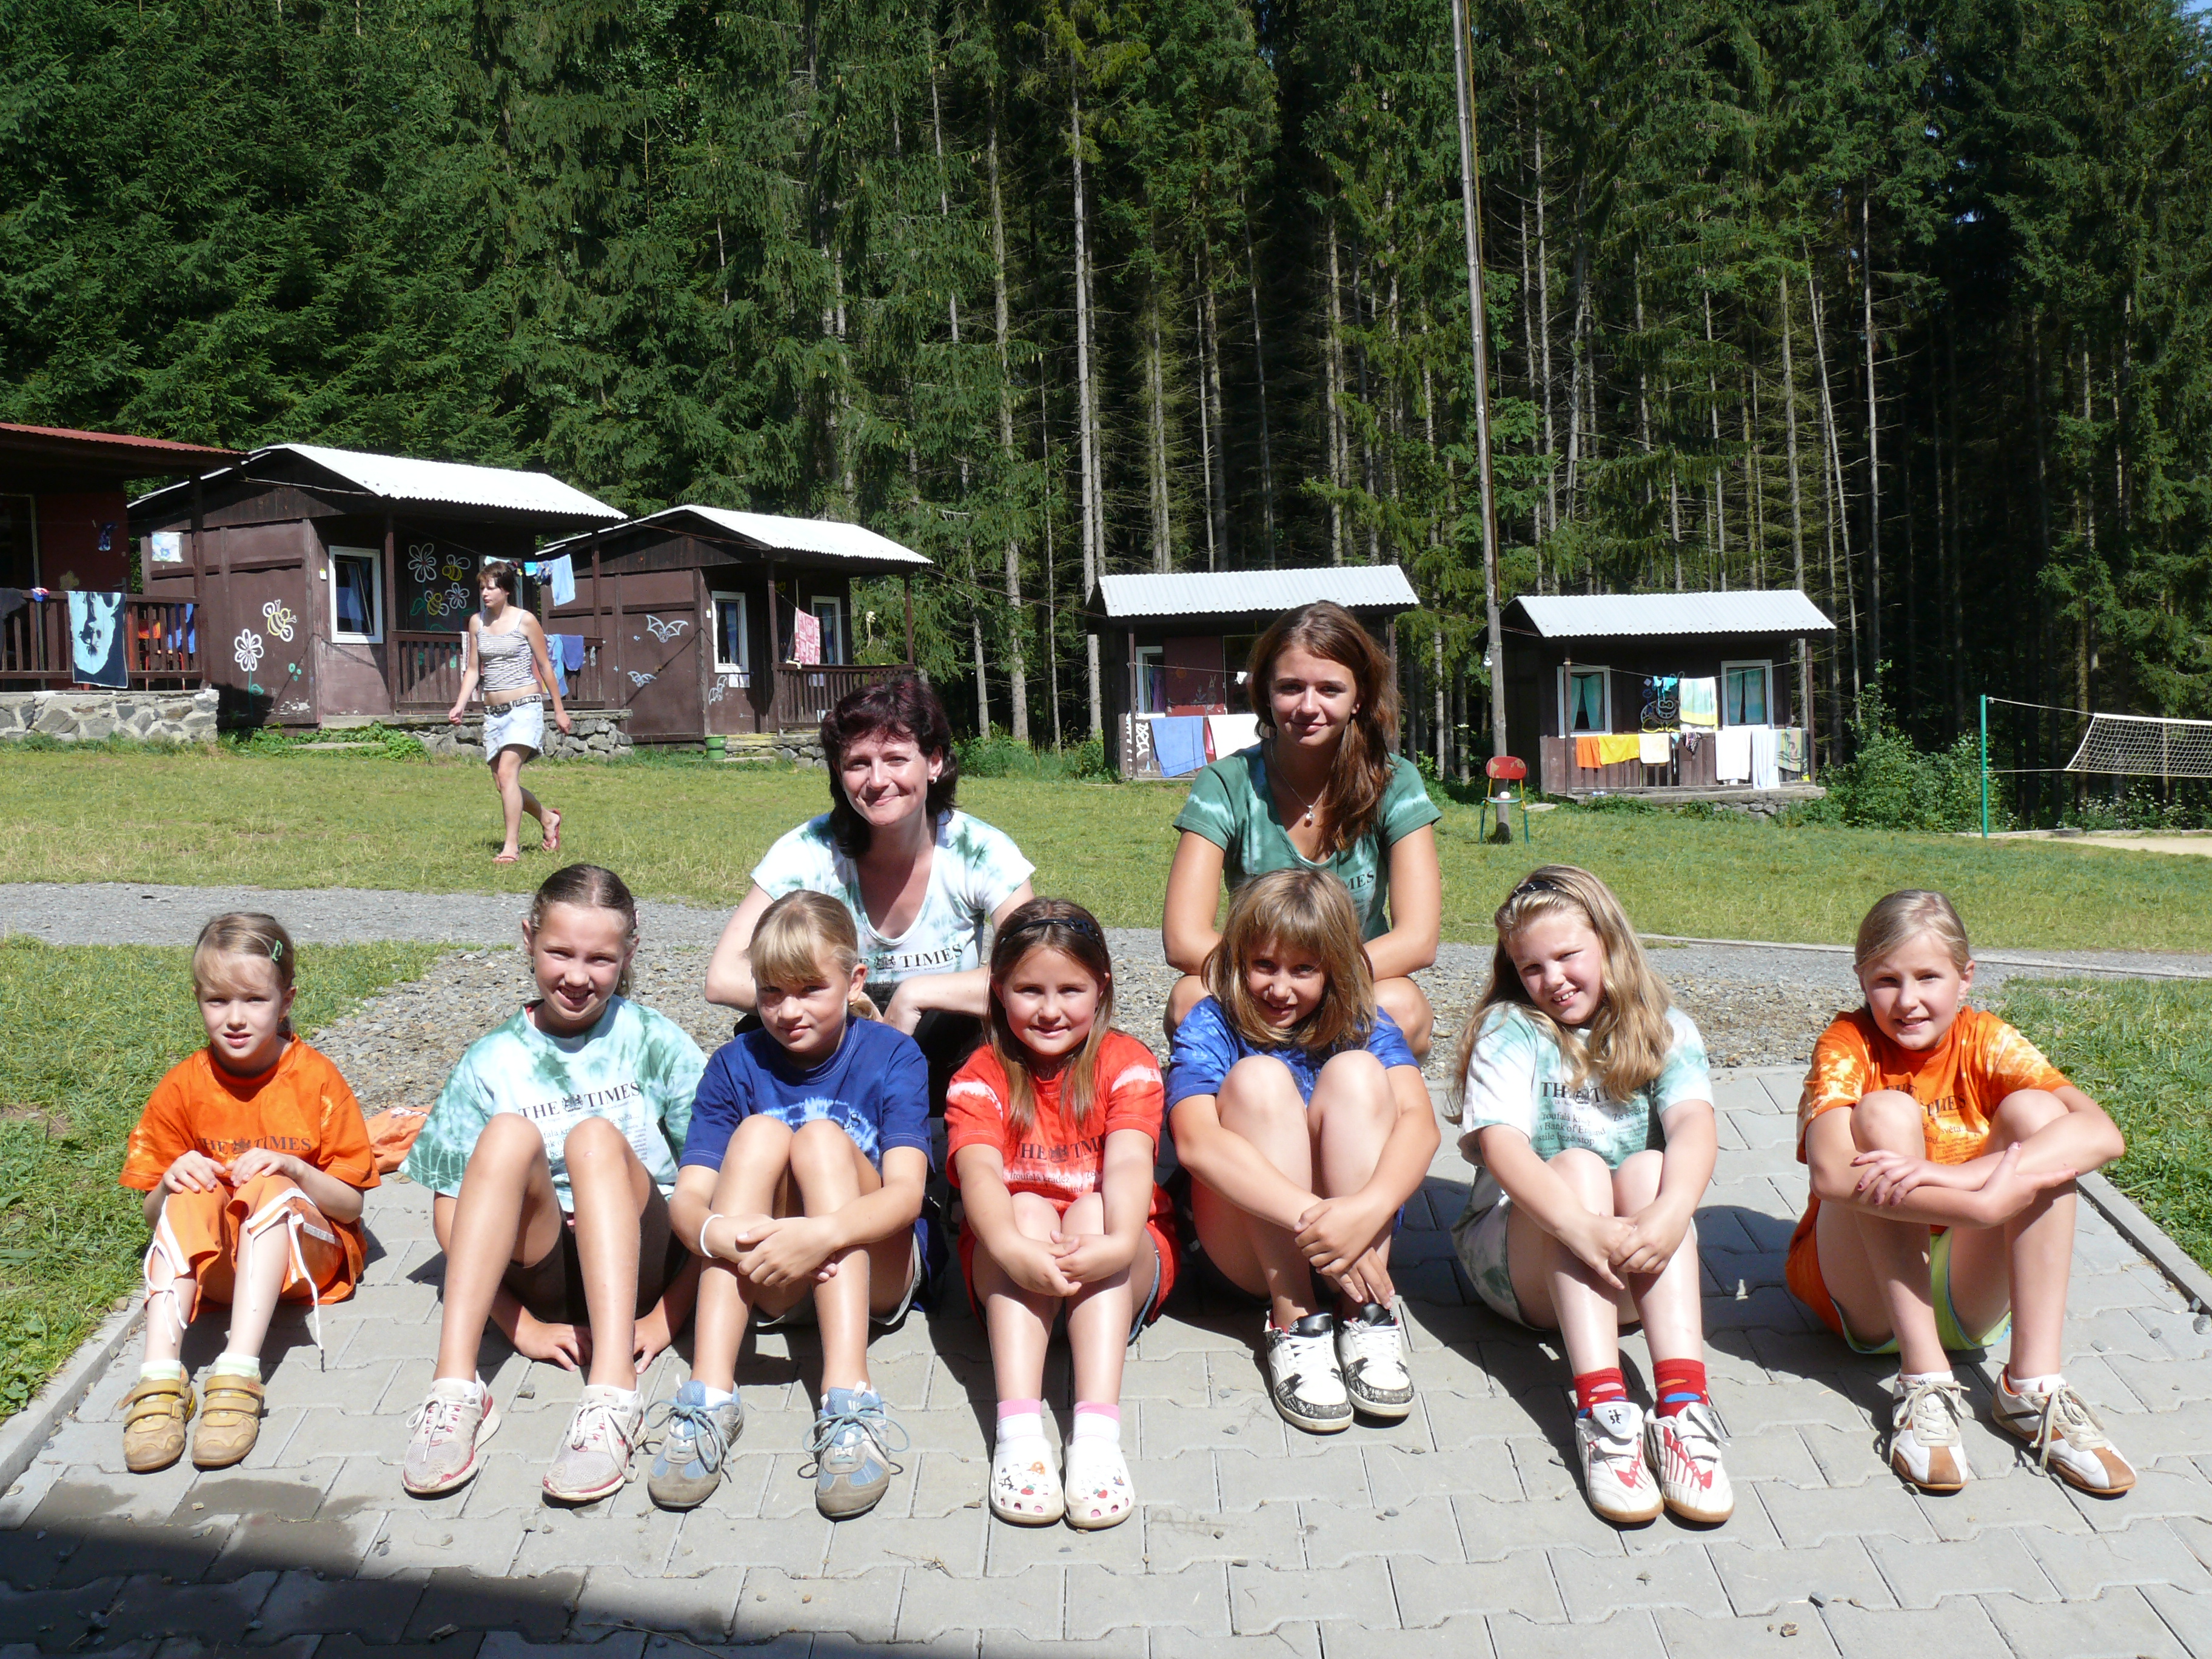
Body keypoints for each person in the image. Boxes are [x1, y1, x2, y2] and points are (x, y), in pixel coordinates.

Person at [1786, 890, 2134, 1497]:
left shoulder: (1985, 1038)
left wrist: (1963, 1180)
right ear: (1862, 980)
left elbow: (2102, 1135)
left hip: (1967, 1291)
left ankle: (2031, 1388)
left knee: (2038, 1114)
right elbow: (1832, 1175)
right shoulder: (1848, 1041)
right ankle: (1923, 1380)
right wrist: (1979, 1204)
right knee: (1885, 1113)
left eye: (1928, 977)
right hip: (1867, 1295)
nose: (1908, 1000)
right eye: (1887, 981)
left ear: (1965, 977)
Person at [399, 864, 705, 1503]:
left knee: (592, 1137)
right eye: (560, 952)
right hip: (539, 1271)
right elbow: (451, 1213)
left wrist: (670, 1314)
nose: (577, 976)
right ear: (528, 939)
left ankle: (614, 1393)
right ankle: (456, 1388)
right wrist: (518, 1327)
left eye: (600, 959)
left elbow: (716, 1192)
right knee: (508, 1134)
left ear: (629, 953)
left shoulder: (655, 1042)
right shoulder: (491, 1061)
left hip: (642, 1264)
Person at [1448, 866, 1731, 1526]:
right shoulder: (1510, 1029)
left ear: (1609, 943)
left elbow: (1695, 1126)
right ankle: (1604, 1415)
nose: (1553, 980)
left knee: (1654, 1171)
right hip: (1525, 1268)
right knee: (1576, 1167)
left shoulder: (1665, 1028)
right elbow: (1501, 1147)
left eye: (1568, 956)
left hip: (1629, 1266)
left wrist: (1672, 1213)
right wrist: (1578, 1227)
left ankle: (1684, 1410)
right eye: (1532, 967)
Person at [659, 891, 934, 1520]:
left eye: (810, 990)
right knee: (758, 1135)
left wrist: (824, 1234)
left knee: (820, 1140)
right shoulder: (733, 1064)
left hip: (876, 1273)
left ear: (855, 980)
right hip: (773, 1279)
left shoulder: (894, 1054)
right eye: (771, 992)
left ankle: (850, 1399)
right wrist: (715, 1235)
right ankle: (710, 1394)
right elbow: (689, 1200)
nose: (788, 1011)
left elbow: (907, 1195)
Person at [1166, 868, 1436, 1435]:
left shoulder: (1362, 1020)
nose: (1280, 988)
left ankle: (1364, 1312)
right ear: (1237, 959)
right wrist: (1319, 1219)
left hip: (1353, 1242)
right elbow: (1194, 1142)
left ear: (1334, 968)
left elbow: (1422, 1125)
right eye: (1264, 965)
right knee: (1258, 1079)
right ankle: (1294, 1316)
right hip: (1248, 1253)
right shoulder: (1212, 1021)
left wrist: (1365, 1209)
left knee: (1360, 1072)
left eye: (1304, 970)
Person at [117, 914, 378, 1473]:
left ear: (286, 1002)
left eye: (255, 1000)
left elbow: (352, 1205)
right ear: (198, 999)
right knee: (192, 1185)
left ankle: (238, 1372)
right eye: (217, 1000)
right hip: (224, 1271)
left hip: (308, 1263)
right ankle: (159, 1379)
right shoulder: (184, 1084)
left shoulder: (316, 1079)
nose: (235, 1018)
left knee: (270, 1182)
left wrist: (296, 1169)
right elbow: (153, 1216)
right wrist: (169, 1181)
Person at [946, 899, 1176, 1530]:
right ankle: (1019, 1433)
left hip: (1114, 1264)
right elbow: (978, 1174)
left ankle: (1096, 1437)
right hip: (1016, 1271)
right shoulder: (980, 1076)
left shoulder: (1127, 1064)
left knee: (1097, 1207)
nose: (1050, 1010)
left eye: (1070, 990)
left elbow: (1130, 1164)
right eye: (1030, 991)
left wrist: (1120, 1242)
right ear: (999, 990)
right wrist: (1011, 1248)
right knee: (1019, 1207)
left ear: (1101, 988)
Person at [705, 672, 1034, 1106]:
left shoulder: (980, 850)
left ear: (934, 762)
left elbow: (1034, 970)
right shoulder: (806, 852)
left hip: (946, 1048)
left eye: (896, 759)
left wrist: (915, 995)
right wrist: (842, 1007)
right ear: (838, 771)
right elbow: (722, 977)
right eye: (859, 763)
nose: (877, 780)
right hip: (832, 1045)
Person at [1162, 602, 1443, 1056]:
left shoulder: (1395, 782)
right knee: (1188, 1000)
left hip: (1355, 984)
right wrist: (1275, 985)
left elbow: (1419, 939)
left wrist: (1317, 983)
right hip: (1258, 990)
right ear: (1266, 693)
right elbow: (1182, 939)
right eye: (1291, 688)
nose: (1308, 707)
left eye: (1330, 689)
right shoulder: (1225, 784)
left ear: (1359, 697)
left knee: (1404, 1007)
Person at [447, 560, 571, 865]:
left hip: (524, 707)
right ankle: (548, 819)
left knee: (507, 774)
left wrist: (559, 710)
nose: (485, 593)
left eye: (491, 588)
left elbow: (545, 666)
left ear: (505, 590)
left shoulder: (525, 620)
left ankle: (511, 847)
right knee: (503, 784)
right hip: (494, 712)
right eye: (482, 588)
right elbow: (473, 669)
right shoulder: (477, 622)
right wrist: (460, 704)